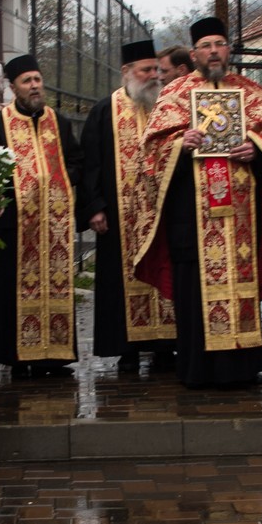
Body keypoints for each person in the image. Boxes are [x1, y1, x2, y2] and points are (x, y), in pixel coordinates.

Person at [127, 15, 262, 389]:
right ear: (194, 52)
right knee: (193, 295)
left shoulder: (250, 92)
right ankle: (197, 371)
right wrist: (178, 146)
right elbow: (149, 155)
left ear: (228, 49)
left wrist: (259, 149)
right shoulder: (174, 94)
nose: (214, 51)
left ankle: (241, 369)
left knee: (240, 291)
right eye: (206, 46)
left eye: (220, 44)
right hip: (191, 215)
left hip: (240, 218)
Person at [0, 54, 82, 377]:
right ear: (13, 87)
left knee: (57, 287)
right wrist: (20, 187)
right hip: (16, 224)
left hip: (55, 224)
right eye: (27, 81)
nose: (35, 86)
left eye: (38, 79)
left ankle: (55, 355)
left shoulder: (58, 121)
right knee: (13, 292)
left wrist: (57, 179)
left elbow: (75, 162)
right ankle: (18, 357)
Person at [81, 39, 178, 375]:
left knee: (164, 278)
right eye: (146, 70)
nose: (154, 75)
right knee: (120, 284)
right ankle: (129, 351)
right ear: (126, 73)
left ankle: (166, 347)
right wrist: (95, 207)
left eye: (156, 69)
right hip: (118, 218)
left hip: (161, 217)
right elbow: (90, 164)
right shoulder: (104, 110)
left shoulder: (168, 106)